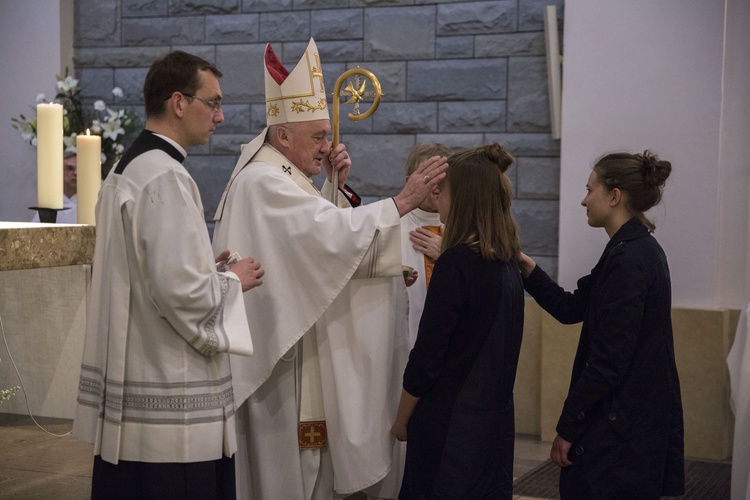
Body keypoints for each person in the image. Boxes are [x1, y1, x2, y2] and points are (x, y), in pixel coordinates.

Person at [211, 38, 447, 499]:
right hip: (279, 367)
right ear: (283, 136)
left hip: (295, 351)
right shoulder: (263, 180)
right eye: (318, 136)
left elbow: (313, 234)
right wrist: (401, 203)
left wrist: (331, 186)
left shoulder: (281, 174)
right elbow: (319, 236)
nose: (328, 144)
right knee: (284, 476)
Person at [73, 51, 265, 500]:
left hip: (140, 385)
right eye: (212, 103)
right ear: (179, 103)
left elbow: (152, 275)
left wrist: (208, 268)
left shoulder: (129, 168)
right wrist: (232, 280)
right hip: (170, 409)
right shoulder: (166, 177)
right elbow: (180, 293)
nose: (220, 115)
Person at [517, 151, 685, 499]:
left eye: (589, 189)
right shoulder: (628, 250)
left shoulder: (629, 260)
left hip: (621, 432)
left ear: (614, 196)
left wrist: (568, 427)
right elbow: (571, 307)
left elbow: (608, 360)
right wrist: (527, 268)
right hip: (627, 424)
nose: (583, 200)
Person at [391, 144, 525, 499]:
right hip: (491, 425)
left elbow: (427, 357)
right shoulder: (507, 260)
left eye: (443, 190)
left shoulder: (456, 262)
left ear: (461, 197)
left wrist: (402, 419)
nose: (439, 199)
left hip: (451, 427)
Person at [400, 143, 452, 349]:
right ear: (409, 182)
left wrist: (449, 256)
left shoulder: (466, 229)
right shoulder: (391, 224)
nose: (438, 185)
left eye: (444, 177)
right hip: (404, 340)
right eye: (430, 176)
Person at [31, 153, 77, 223]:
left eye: (80, 169)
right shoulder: (51, 203)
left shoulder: (90, 203)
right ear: (59, 171)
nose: (75, 173)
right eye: (70, 168)